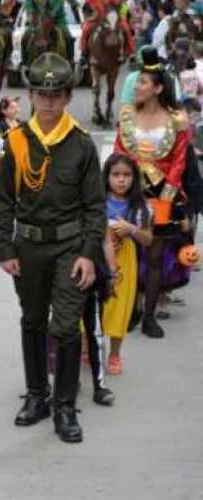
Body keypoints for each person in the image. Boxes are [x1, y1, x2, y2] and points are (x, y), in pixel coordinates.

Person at [0, 52, 106, 444]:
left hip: (69, 247)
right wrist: (5, 248)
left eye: (56, 93)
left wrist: (89, 254)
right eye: (41, 93)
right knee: (32, 320)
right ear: (29, 95)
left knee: (66, 324)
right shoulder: (17, 142)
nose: (48, 101)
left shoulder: (81, 145)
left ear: (67, 96)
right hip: (28, 247)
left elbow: (95, 207)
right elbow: (4, 198)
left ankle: (64, 406)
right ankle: (37, 396)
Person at [114, 46, 190, 338]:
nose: (135, 87)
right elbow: (120, 151)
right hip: (131, 191)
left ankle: (149, 317)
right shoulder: (127, 116)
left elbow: (180, 160)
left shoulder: (177, 120)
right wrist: (122, 183)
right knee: (131, 251)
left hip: (163, 194)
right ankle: (131, 309)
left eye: (142, 83)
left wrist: (168, 194)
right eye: (136, 83)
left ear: (158, 88)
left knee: (155, 255)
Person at [100, 153, 154, 374]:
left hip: (125, 261)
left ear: (134, 178)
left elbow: (148, 239)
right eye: (116, 175)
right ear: (107, 177)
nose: (121, 180)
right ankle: (86, 346)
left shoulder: (141, 207)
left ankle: (114, 354)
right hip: (97, 257)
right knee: (92, 304)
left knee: (120, 307)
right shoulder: (97, 201)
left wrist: (131, 229)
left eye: (126, 175)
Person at [79, 0, 135, 65]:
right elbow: (86, 11)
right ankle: (83, 53)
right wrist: (92, 18)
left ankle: (131, 52)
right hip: (96, 19)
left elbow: (117, 5)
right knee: (85, 29)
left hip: (111, 18)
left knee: (125, 27)